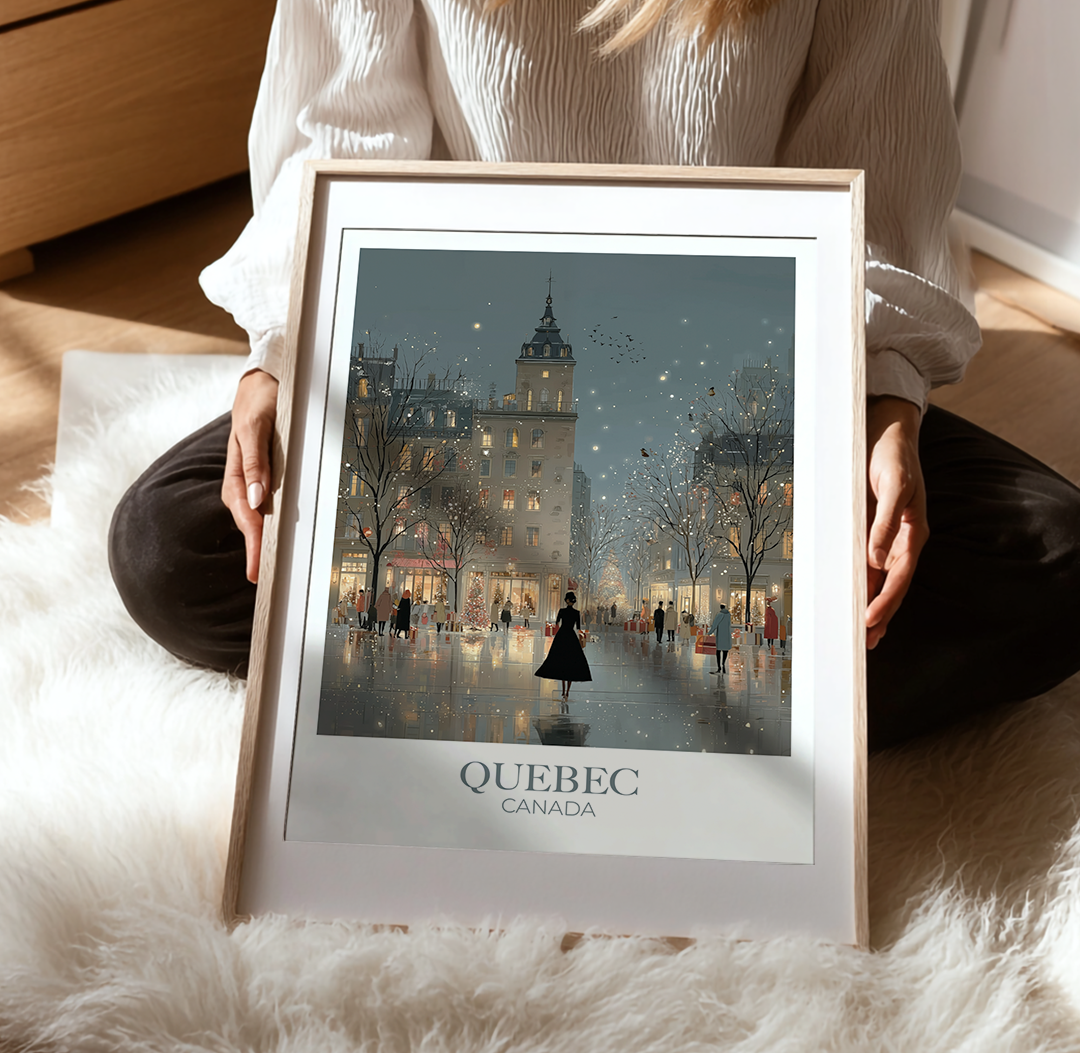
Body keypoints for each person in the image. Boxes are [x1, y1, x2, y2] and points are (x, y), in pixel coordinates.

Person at [105, 0, 1080, 751]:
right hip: (454, 347)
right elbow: (337, 141)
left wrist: (880, 403)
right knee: (175, 544)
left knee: (1056, 561)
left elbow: (876, 170)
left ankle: (563, 691)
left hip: (752, 389)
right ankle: (712, 702)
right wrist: (283, 356)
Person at [534, 591, 592, 701]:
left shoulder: (562, 611)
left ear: (566, 600)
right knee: (571, 663)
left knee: (561, 662)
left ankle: (563, 691)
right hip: (571, 636)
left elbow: (557, 623)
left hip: (561, 636)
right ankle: (567, 693)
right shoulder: (576, 613)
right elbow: (578, 627)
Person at [709, 605, 733, 675]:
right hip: (726, 635)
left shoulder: (719, 615)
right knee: (725, 650)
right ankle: (723, 664)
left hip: (720, 635)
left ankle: (719, 666)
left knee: (718, 651)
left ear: (720, 608)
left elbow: (715, 624)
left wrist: (710, 632)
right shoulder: (728, 615)